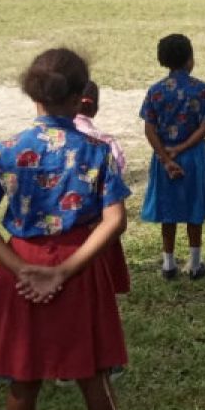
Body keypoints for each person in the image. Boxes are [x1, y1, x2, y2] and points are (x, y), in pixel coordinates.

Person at [0, 49, 131, 410]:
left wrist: (19, 268)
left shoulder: (7, 150)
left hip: (19, 267)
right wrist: (65, 269)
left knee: (23, 376)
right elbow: (115, 220)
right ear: (82, 96)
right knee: (93, 373)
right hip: (79, 268)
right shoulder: (96, 152)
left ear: (31, 94)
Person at [141, 34, 205, 280]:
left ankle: (168, 264)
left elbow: (149, 129)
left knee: (168, 209)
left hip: (165, 156)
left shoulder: (155, 92)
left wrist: (166, 156)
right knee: (194, 208)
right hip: (193, 156)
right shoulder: (201, 89)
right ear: (189, 59)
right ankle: (195, 264)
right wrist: (183, 147)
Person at [74, 82, 132, 302]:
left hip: (62, 236)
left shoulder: (35, 142)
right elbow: (115, 185)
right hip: (100, 228)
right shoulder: (105, 143)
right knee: (100, 289)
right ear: (95, 108)